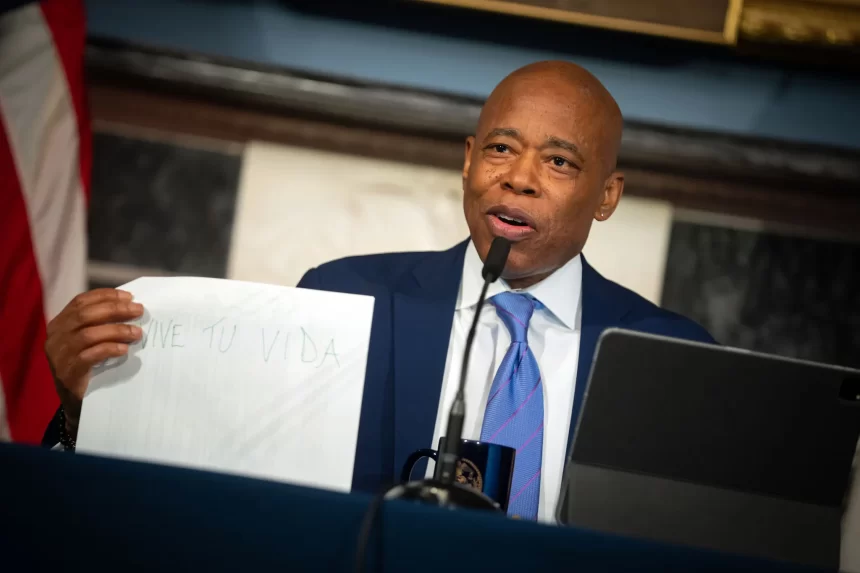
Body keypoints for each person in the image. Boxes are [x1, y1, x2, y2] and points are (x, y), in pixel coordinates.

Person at [42, 61, 714, 522]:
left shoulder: (675, 358)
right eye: (500, 149)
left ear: (607, 196)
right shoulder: (342, 297)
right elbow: (223, 488)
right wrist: (85, 413)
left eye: (559, 161)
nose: (519, 178)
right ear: (468, 161)